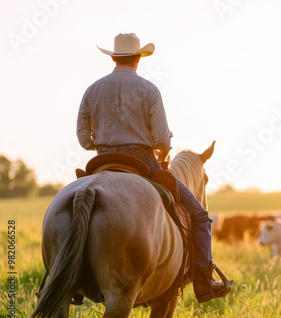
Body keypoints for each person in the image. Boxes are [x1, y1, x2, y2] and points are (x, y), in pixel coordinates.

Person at [76, 33, 233, 303]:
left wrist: (103, 145)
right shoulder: (149, 90)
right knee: (199, 216)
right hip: (143, 163)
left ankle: (68, 280)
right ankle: (204, 281)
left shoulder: (93, 89)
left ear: (113, 57)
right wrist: (160, 148)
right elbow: (161, 139)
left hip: (101, 161)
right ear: (138, 59)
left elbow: (83, 138)